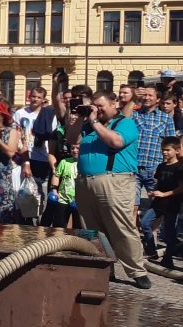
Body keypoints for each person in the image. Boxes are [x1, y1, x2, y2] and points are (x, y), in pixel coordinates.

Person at [69, 89, 150, 289]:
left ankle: (137, 271)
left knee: (120, 228)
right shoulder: (88, 126)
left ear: (114, 104)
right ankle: (103, 268)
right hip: (86, 182)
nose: (97, 110)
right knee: (93, 230)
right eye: (94, 107)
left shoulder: (125, 123)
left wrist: (95, 122)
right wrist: (81, 118)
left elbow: (116, 141)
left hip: (114, 181)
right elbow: (71, 139)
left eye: (100, 106)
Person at [134, 85, 173, 230]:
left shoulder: (165, 119)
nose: (146, 98)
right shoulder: (135, 115)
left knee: (158, 205)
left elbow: (170, 145)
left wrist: (164, 166)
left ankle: (152, 236)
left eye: (150, 95)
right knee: (133, 204)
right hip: (134, 166)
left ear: (158, 99)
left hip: (154, 168)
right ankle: (135, 237)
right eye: (144, 95)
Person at [142, 136, 181, 267]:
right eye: (163, 150)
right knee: (145, 223)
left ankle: (168, 259)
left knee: (169, 233)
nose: (164, 152)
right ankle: (152, 250)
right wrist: (153, 191)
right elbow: (158, 182)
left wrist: (164, 194)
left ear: (177, 150)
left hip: (171, 204)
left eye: (168, 150)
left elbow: (181, 188)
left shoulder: (179, 168)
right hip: (158, 203)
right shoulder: (161, 166)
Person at [45, 141, 81, 229]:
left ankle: (77, 242)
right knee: (58, 226)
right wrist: (54, 190)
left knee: (79, 227)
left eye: (77, 148)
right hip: (63, 199)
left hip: (79, 201)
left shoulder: (85, 163)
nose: (75, 150)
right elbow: (57, 176)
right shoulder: (64, 162)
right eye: (72, 148)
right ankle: (59, 241)